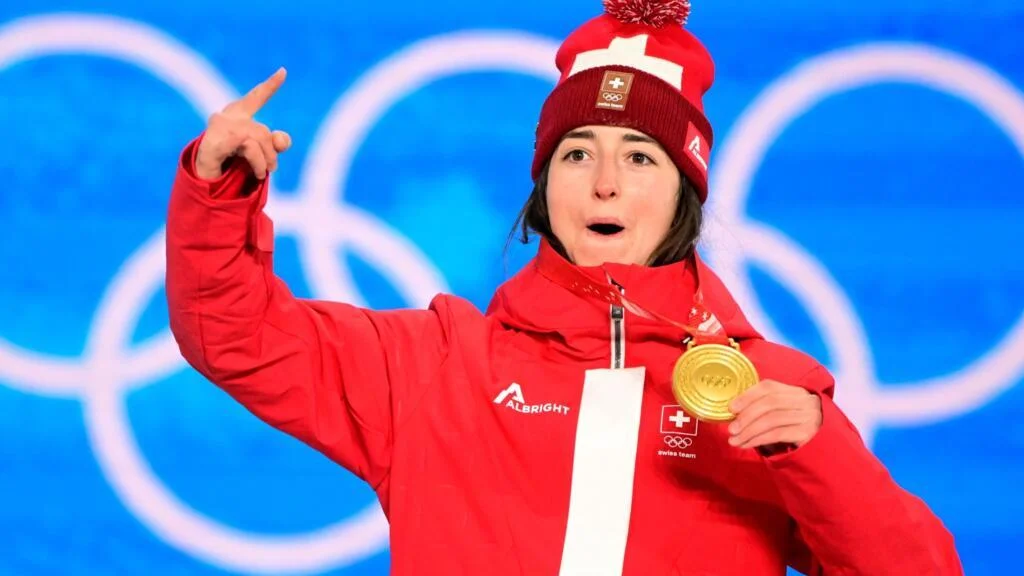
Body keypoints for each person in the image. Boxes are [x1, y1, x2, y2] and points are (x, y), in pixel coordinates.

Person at [165, 0, 963, 574]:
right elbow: (236, 336)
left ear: (686, 192)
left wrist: (821, 455)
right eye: (577, 153)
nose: (605, 183)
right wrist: (216, 187)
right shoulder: (435, 366)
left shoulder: (770, 394)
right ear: (544, 186)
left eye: (641, 157)